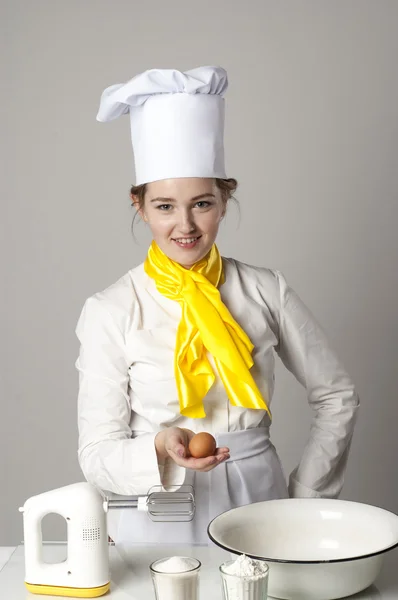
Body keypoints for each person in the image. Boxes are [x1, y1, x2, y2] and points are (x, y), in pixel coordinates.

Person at [76, 66, 359, 546]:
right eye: (164, 206)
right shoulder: (111, 309)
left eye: (202, 203)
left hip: (259, 504)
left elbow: (337, 395)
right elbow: (97, 452)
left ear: (225, 200)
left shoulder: (266, 290)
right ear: (139, 206)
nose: (184, 224)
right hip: (157, 509)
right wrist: (160, 449)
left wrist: (306, 497)